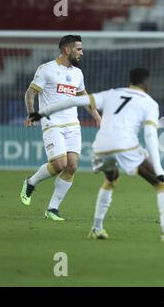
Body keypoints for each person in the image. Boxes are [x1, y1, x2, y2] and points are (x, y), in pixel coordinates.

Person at [29, 68, 164, 243]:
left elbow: (74, 100)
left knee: (111, 180)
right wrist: (158, 168)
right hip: (125, 146)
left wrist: (41, 113)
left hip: (101, 147)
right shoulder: (149, 103)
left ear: (130, 82)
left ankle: (96, 228)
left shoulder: (112, 93)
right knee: (161, 185)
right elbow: (150, 135)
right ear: (146, 84)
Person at [20, 35, 101, 221]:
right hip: (52, 122)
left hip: (73, 124)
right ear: (67, 50)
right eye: (78, 49)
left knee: (72, 166)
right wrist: (32, 113)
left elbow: (84, 97)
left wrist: (97, 116)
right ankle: (31, 182)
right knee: (59, 164)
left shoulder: (77, 74)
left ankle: (52, 209)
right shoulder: (47, 69)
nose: (82, 52)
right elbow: (30, 92)